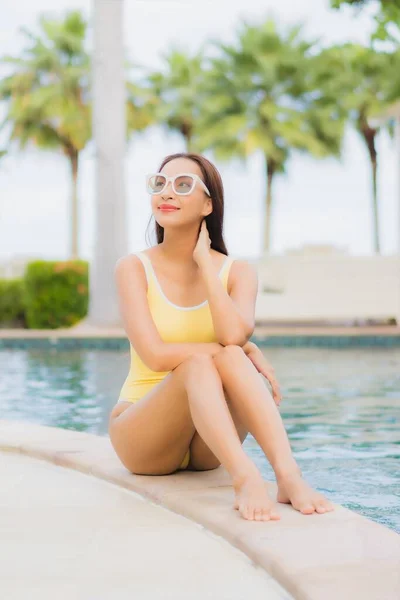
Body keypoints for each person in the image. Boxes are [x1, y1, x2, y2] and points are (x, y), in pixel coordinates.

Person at [108, 152, 334, 522]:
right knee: (207, 362)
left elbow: (231, 334)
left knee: (230, 357)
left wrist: (206, 268)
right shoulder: (133, 268)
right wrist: (246, 347)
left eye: (183, 185)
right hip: (143, 434)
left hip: (207, 444)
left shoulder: (237, 272)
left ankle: (288, 476)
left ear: (207, 204)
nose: (167, 193)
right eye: (159, 184)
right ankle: (245, 477)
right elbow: (155, 355)